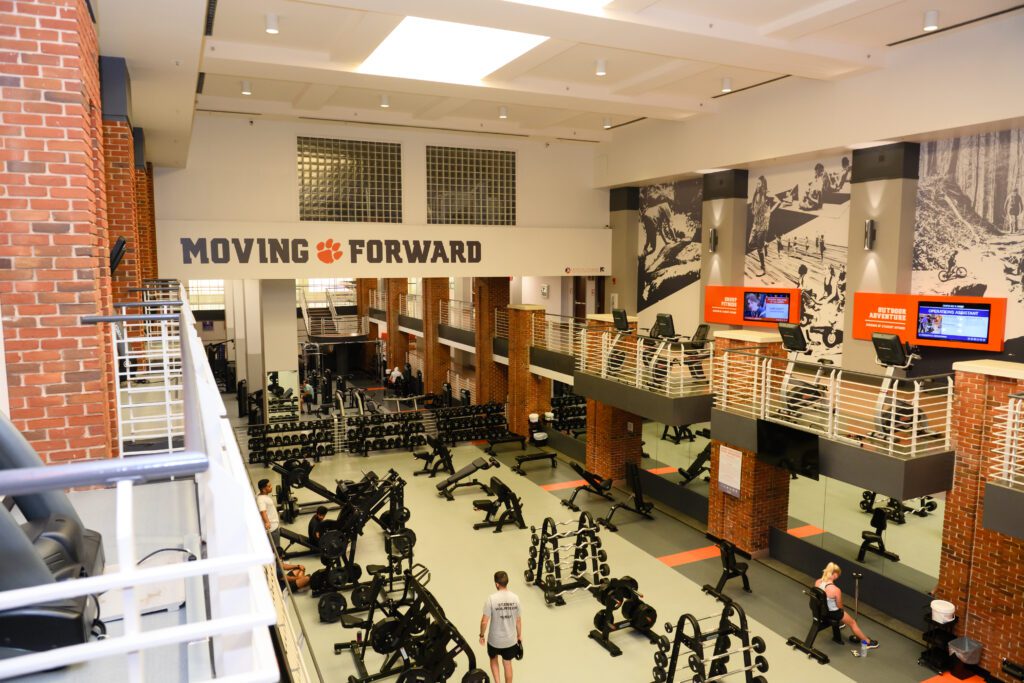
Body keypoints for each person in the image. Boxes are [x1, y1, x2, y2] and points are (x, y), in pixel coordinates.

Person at [815, 562, 878, 650]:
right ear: (834, 575)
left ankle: (840, 623)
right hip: (832, 613)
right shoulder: (836, 590)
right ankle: (868, 642)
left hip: (820, 611)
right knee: (852, 622)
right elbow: (840, 606)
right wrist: (841, 613)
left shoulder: (818, 582)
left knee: (841, 615)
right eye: (838, 574)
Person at [480, 570, 522, 683]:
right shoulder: (516, 598)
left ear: (497, 584)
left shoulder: (491, 599)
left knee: (493, 659)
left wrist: (481, 635)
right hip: (510, 640)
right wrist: (519, 636)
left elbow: (484, 622)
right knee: (507, 663)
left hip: (495, 640)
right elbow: (518, 620)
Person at [256, 478, 280, 551]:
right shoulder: (261, 500)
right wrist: (267, 522)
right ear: (263, 489)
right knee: (276, 548)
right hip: (272, 528)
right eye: (269, 486)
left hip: (274, 525)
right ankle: (278, 561)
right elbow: (263, 512)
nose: (271, 487)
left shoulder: (259, 494)